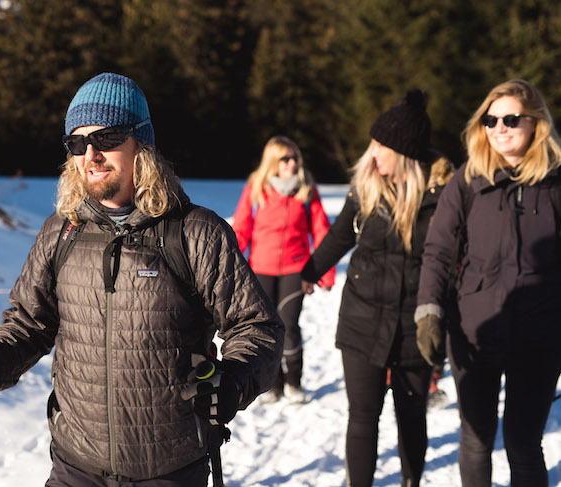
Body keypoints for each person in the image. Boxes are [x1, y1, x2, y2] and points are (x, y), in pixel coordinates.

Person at [0, 72, 285, 486]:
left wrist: (233, 382)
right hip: (74, 467)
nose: (91, 154)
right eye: (77, 143)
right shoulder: (61, 232)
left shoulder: (195, 232)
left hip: (169, 470)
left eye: (106, 138)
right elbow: (29, 324)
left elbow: (257, 328)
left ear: (143, 144)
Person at [300, 89, 454, 487]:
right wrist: (310, 270)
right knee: (363, 418)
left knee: (411, 414)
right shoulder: (366, 188)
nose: (372, 154)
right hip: (362, 319)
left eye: (380, 146)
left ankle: (410, 482)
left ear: (403, 152)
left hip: (414, 325)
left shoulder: (444, 197)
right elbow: (339, 236)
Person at [416, 79, 561, 487]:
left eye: (511, 118)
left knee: (523, 442)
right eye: (490, 119)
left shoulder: (556, 184)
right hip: (475, 332)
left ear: (536, 123)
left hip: (540, 334)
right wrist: (428, 309)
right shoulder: (466, 182)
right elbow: (439, 252)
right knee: (476, 439)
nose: (499, 127)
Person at [231, 135, 335, 404]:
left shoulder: (306, 189)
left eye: (294, 158)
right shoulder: (257, 187)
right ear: (273, 162)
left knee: (289, 325)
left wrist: (325, 272)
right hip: (261, 268)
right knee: (266, 328)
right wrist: (228, 263)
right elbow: (242, 227)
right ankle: (272, 383)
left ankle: (294, 381)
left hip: (295, 269)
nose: (291, 163)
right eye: (285, 159)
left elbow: (321, 230)